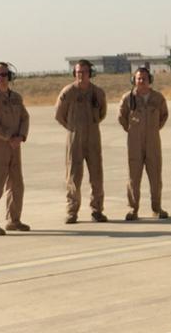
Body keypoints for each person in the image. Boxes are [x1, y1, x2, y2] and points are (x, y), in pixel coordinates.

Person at [55, 59, 108, 224]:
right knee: (73, 177)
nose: (81, 75)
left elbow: (102, 113)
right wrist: (72, 128)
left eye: (84, 72)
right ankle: (72, 212)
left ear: (90, 74)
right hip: (75, 138)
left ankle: (97, 210)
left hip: (93, 138)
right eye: (78, 72)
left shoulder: (97, 93)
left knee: (96, 176)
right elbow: (59, 115)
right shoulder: (68, 92)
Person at [0, 61, 31, 235]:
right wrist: (9, 137)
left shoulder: (16, 98)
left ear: (9, 76)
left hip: (15, 146)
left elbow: (25, 117)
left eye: (4, 75)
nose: (1, 78)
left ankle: (13, 220)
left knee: (17, 184)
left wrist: (21, 136)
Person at [118, 67, 169, 220]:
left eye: (144, 78)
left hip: (153, 141)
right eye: (138, 78)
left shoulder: (158, 98)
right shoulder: (128, 98)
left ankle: (156, 207)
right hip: (134, 142)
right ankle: (133, 209)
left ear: (150, 80)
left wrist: (153, 129)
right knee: (133, 177)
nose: (141, 81)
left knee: (155, 176)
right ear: (134, 80)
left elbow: (164, 116)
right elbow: (122, 117)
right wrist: (132, 130)